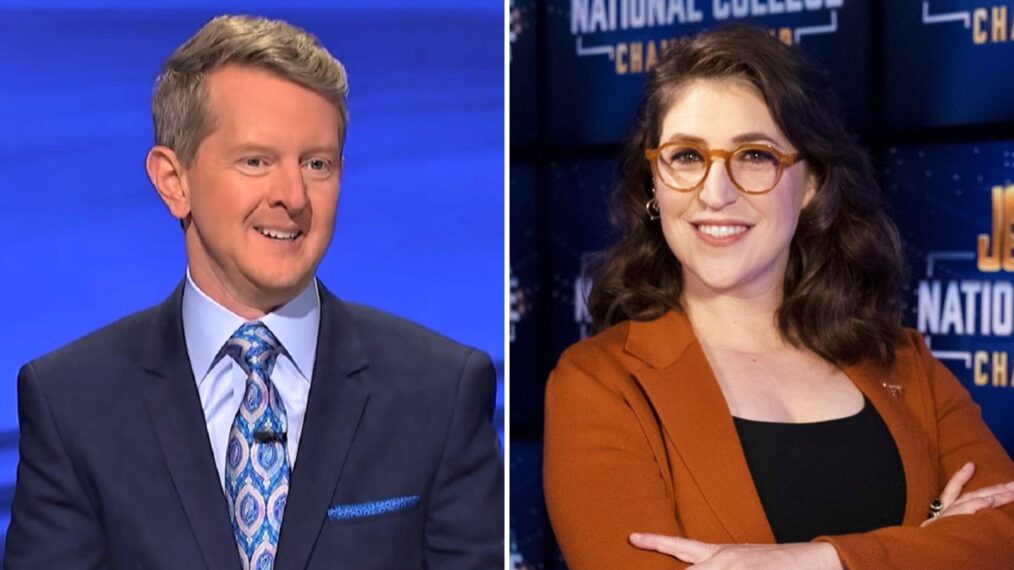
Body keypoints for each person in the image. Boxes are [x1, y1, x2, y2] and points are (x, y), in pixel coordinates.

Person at [5, 15, 502, 570]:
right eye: (256, 161)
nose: (291, 196)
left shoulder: (439, 391)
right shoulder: (72, 404)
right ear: (174, 181)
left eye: (317, 164)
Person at [543, 26, 1014, 569]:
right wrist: (931, 547)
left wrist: (821, 562)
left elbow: (1003, 534)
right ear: (654, 181)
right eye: (687, 157)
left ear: (811, 183)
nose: (716, 193)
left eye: (755, 156)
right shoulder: (599, 385)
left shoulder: (903, 360)